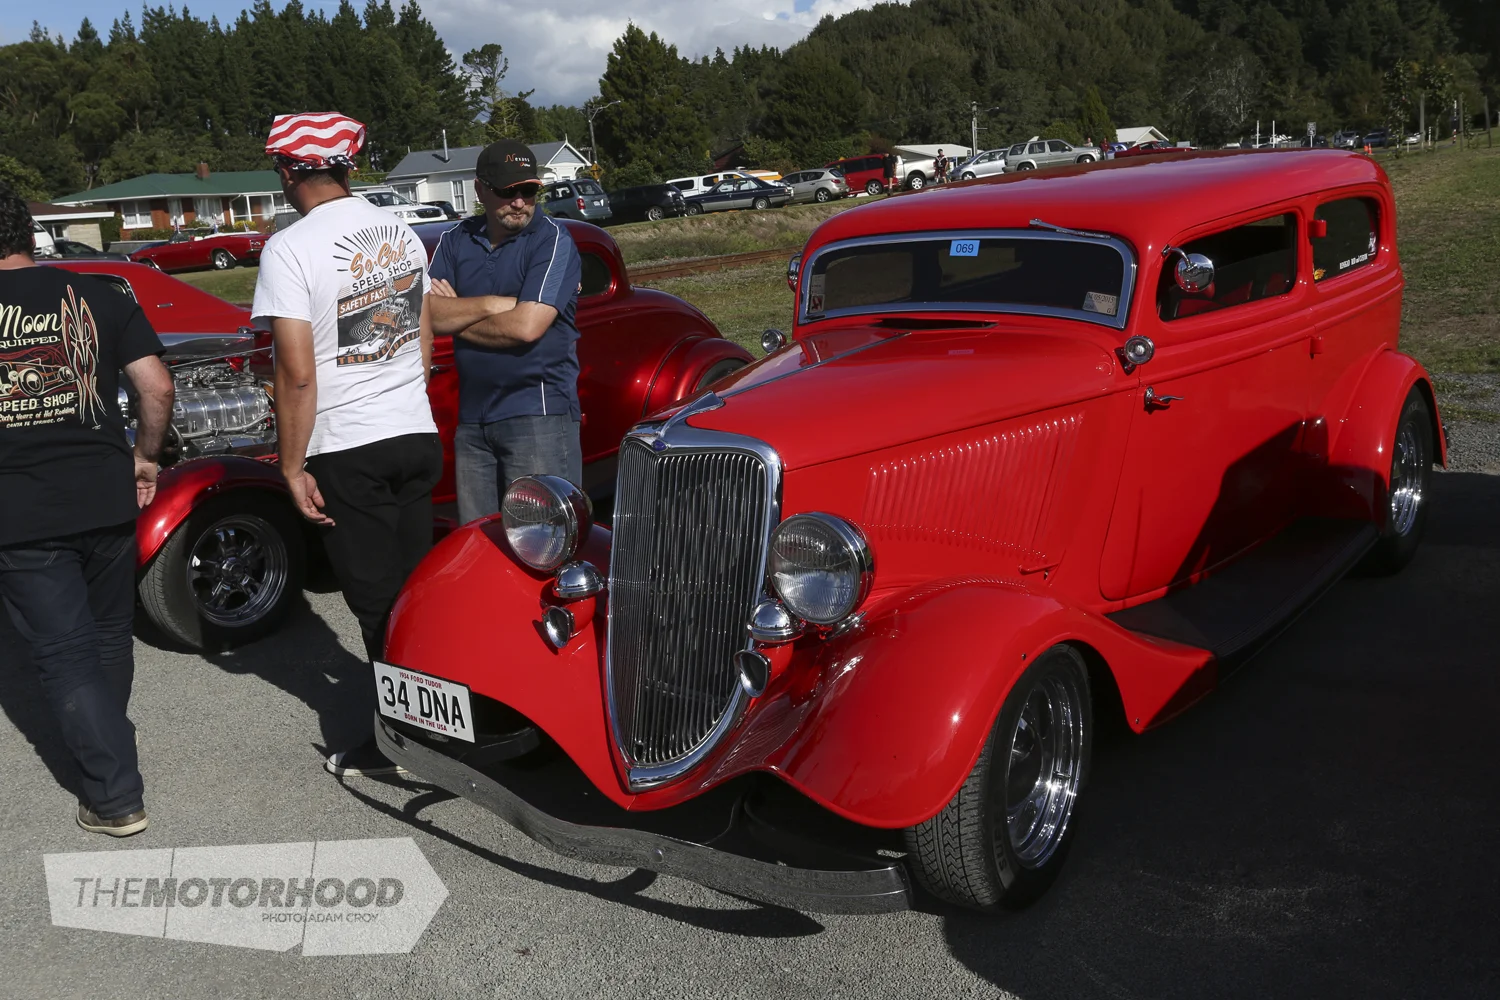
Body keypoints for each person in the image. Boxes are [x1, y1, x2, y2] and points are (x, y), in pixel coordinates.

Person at [251, 113, 442, 777]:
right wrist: (404, 396)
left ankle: (405, 744)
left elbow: (296, 373)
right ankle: (448, 725)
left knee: (376, 602)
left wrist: (291, 465)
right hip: (414, 429)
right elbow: (422, 338)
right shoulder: (401, 231)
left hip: (348, 444)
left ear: (288, 172)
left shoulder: (288, 249)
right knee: (417, 592)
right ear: (345, 166)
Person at [0, 186, 174, 836]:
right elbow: (156, 386)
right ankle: (111, 739)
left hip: (20, 509)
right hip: (106, 494)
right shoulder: (100, 293)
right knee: (106, 635)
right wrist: (145, 456)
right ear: (29, 233)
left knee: (65, 653)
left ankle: (113, 796)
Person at [427, 138, 583, 523]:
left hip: (538, 413)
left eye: (529, 191)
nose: (519, 202)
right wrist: (493, 304)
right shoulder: (455, 240)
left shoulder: (552, 239)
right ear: (480, 189)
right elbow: (426, 315)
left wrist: (457, 314)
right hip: (472, 419)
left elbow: (527, 328)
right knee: (478, 539)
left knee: (542, 538)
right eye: (507, 191)